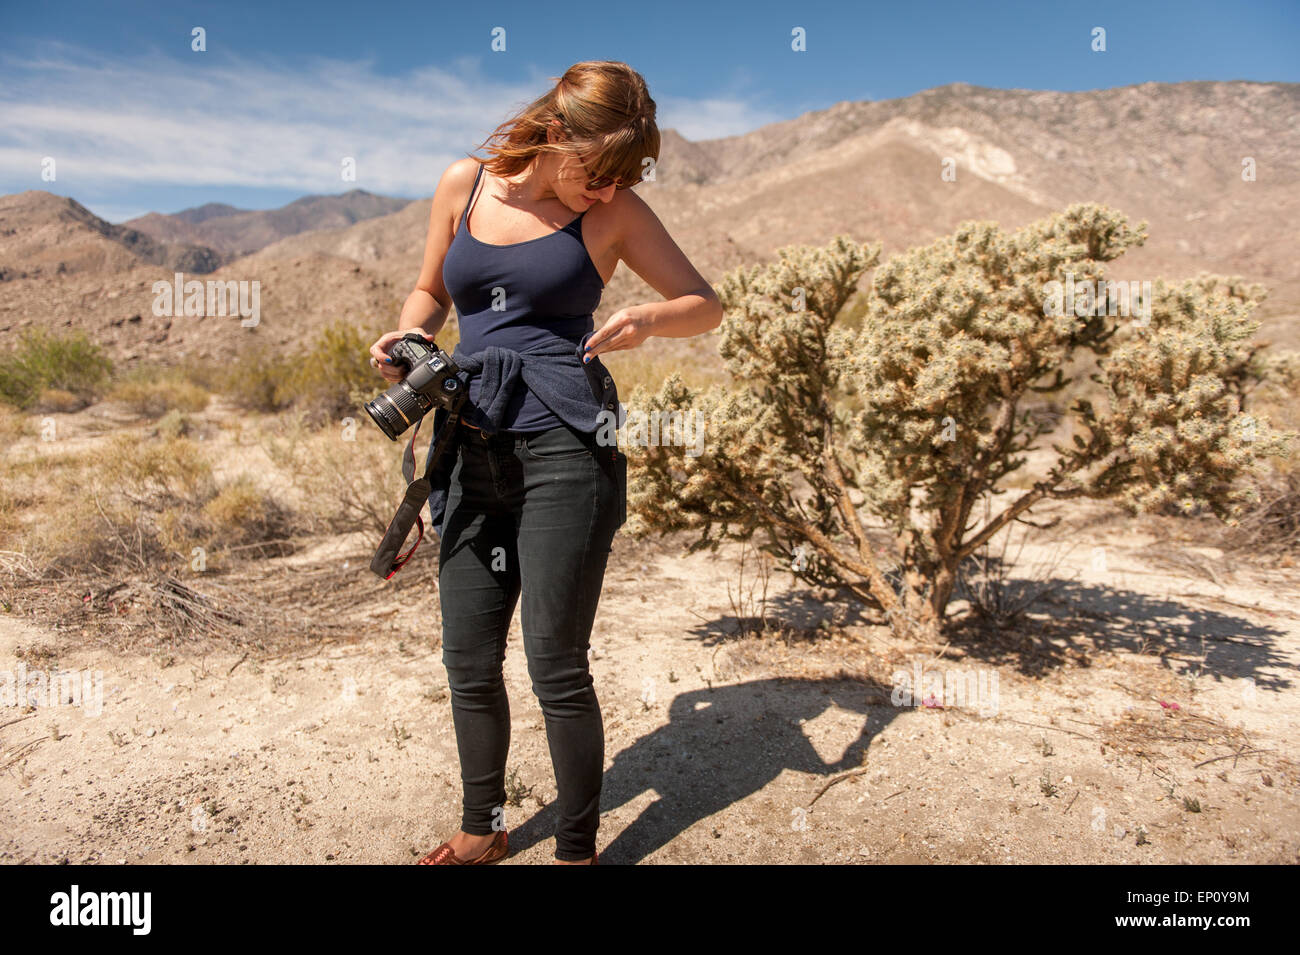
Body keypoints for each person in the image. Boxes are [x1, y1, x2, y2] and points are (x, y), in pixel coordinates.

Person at [368, 61, 722, 865]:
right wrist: (405, 336)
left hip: (566, 445)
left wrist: (650, 318)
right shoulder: (466, 182)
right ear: (556, 133)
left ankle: (574, 848)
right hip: (468, 438)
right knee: (467, 656)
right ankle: (482, 827)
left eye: (620, 181)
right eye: (596, 174)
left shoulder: (617, 212)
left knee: (555, 663)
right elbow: (430, 292)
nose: (605, 193)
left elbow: (706, 303)